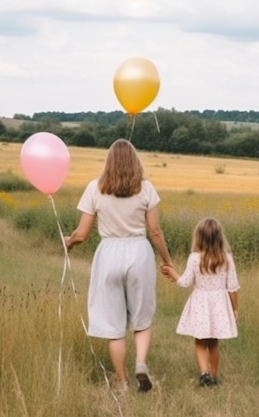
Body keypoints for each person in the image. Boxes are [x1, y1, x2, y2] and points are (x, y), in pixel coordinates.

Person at [65, 138, 174, 393]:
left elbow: (81, 234)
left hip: (109, 254)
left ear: (109, 162)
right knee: (142, 318)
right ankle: (140, 363)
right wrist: (168, 261)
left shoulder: (95, 188)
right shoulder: (146, 188)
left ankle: (123, 383)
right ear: (135, 161)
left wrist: (68, 242)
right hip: (139, 252)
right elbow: (155, 232)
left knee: (115, 327)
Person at [161, 217, 239, 387]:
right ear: (220, 237)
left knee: (200, 342)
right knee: (214, 343)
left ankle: (204, 374)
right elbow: (233, 287)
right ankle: (214, 376)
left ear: (199, 237)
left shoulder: (194, 258)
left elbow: (185, 282)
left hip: (200, 305)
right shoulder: (227, 258)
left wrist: (173, 273)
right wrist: (234, 310)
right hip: (219, 305)